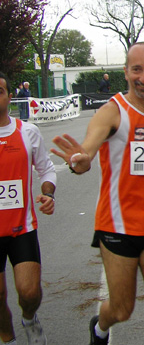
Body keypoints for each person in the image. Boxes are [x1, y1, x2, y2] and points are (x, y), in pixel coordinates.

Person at [50, 42, 144, 345]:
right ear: (126, 72)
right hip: (118, 226)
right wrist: (81, 162)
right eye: (137, 69)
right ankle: (100, 327)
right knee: (122, 309)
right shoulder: (111, 112)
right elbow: (87, 152)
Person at [0, 72, 56, 345]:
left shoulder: (27, 132)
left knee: (29, 293)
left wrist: (49, 194)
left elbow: (46, 169)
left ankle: (29, 318)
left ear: (10, 97)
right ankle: (6, 335)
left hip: (22, 227)